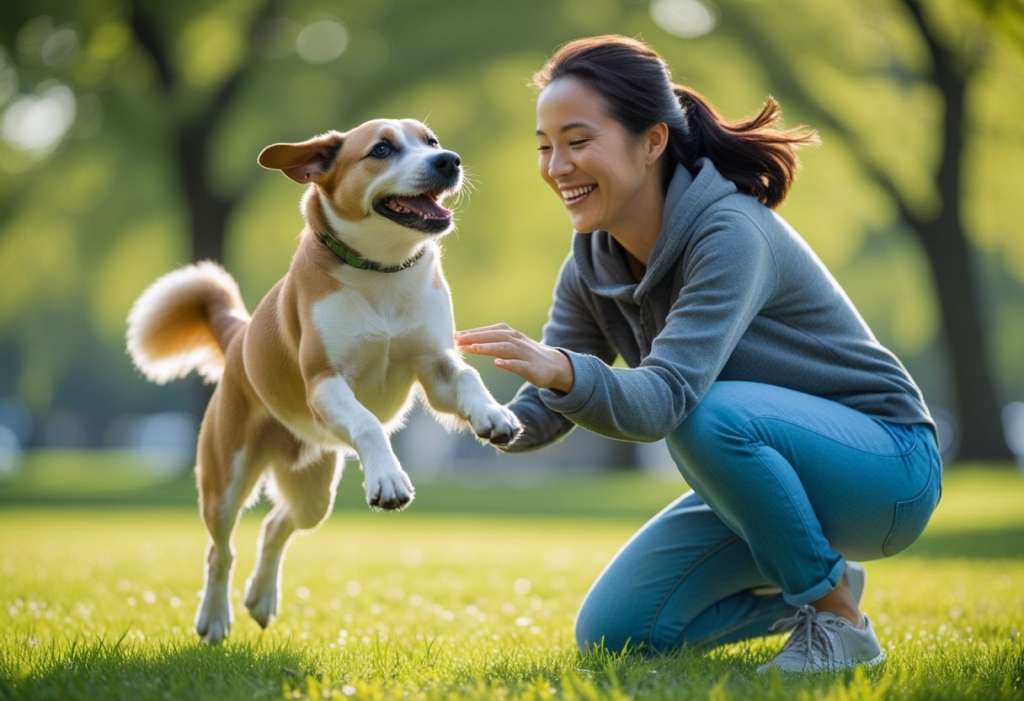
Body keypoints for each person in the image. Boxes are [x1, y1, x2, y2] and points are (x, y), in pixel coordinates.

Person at [455, 35, 943, 674]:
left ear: (652, 141)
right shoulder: (590, 265)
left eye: (577, 142)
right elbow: (542, 414)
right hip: (763, 477)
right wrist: (455, 395)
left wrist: (566, 369)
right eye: (545, 147)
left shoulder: (730, 232)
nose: (556, 167)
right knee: (615, 636)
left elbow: (662, 403)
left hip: (888, 470)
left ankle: (837, 622)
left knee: (705, 412)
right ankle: (821, 583)